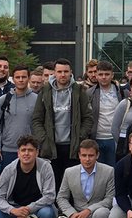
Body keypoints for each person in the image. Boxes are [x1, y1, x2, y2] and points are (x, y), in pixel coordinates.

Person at [31, 58, 94, 189]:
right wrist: (43, 139)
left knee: (72, 185)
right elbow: (36, 119)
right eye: (59, 72)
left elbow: (88, 118)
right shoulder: (45, 91)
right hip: (51, 146)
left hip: (73, 146)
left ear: (71, 72)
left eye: (66, 71)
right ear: (54, 73)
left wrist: (80, 136)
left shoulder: (79, 90)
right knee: (52, 184)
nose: (63, 75)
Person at [55, 138, 115, 218]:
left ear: (97, 155)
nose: (87, 159)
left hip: (98, 213)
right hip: (78, 216)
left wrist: (89, 210)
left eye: (91, 155)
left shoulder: (108, 171)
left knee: (102, 213)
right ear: (79, 155)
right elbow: (61, 197)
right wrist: (71, 213)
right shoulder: (69, 172)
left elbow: (109, 199)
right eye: (84, 155)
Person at [0, 65, 38, 173]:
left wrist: (38, 148)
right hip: (8, 150)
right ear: (13, 79)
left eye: (24, 77)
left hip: (29, 150)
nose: (21, 80)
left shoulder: (37, 99)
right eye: (18, 77)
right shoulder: (4, 100)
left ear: (29, 78)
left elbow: (40, 125)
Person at [87, 60, 124, 168]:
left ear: (112, 75)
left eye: (107, 74)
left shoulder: (121, 92)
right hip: (97, 137)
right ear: (96, 75)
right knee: (99, 171)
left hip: (115, 138)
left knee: (114, 169)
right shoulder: (89, 93)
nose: (104, 77)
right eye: (101, 74)